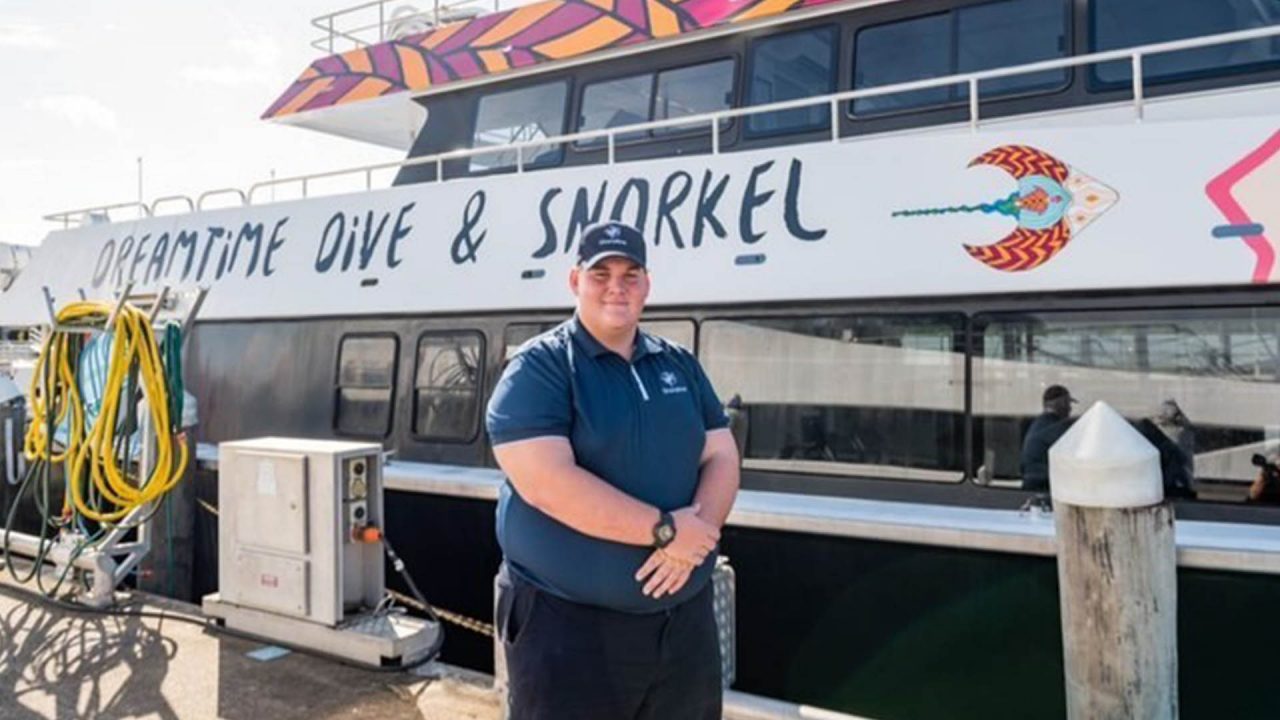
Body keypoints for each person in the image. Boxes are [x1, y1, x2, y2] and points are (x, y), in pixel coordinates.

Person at [486, 221, 741, 720]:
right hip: (570, 631)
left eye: (630, 274)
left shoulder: (678, 364)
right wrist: (665, 531)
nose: (616, 287)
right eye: (601, 273)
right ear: (575, 281)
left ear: (647, 284)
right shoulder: (540, 368)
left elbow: (722, 455)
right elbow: (546, 483)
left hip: (682, 629)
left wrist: (698, 535)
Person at [1019, 384, 1077, 491]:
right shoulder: (1057, 427)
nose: (1070, 408)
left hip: (1032, 484)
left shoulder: (1038, 424)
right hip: (1042, 486)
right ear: (1062, 403)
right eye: (1068, 403)